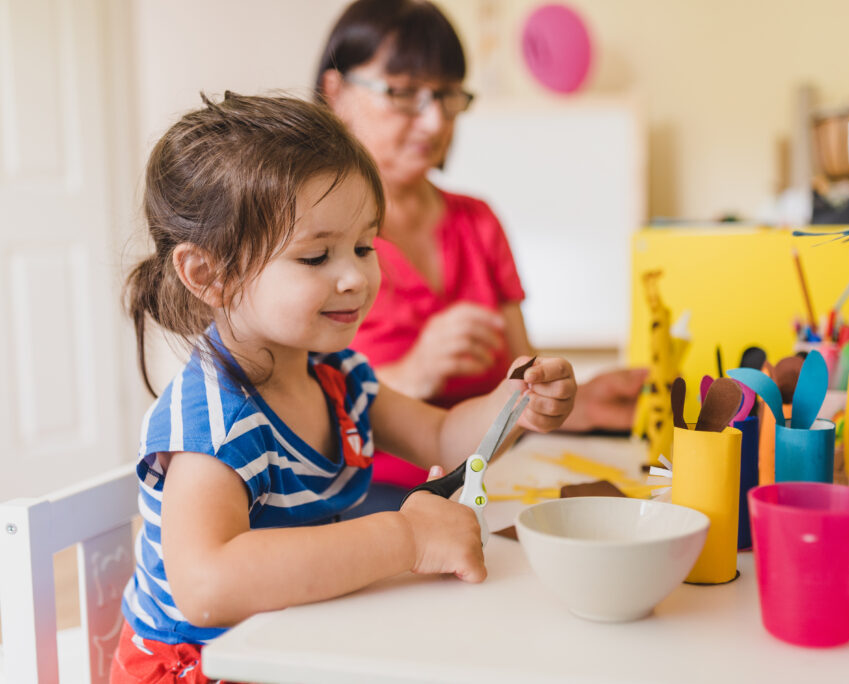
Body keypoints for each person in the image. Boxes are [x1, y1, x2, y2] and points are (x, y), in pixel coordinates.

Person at [112, 92, 576, 681]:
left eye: (363, 246)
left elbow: (441, 438)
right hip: (203, 667)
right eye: (315, 257)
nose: (355, 276)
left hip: (290, 644)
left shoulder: (337, 377)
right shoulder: (215, 418)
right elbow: (208, 586)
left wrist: (515, 404)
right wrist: (406, 538)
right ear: (209, 275)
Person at [314, 0, 646, 508]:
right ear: (335, 91)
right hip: (366, 494)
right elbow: (297, 400)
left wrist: (568, 401)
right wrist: (413, 372)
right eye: (403, 92)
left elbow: (519, 379)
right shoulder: (311, 235)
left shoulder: (478, 221)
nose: (434, 122)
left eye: (446, 95)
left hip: (490, 477)